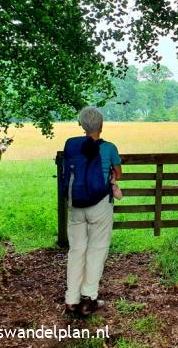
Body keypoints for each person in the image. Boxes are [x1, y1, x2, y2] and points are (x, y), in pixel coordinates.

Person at [64, 106, 122, 316]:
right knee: (97, 249)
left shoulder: (71, 145)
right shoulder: (109, 148)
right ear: (102, 125)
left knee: (76, 250)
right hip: (100, 204)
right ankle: (89, 298)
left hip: (75, 204)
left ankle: (71, 300)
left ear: (81, 125)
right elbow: (118, 173)